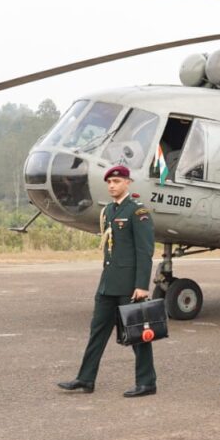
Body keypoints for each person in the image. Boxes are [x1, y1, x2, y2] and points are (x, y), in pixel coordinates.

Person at [57, 165, 157, 397]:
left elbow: (144, 251)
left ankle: (147, 382)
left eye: (117, 181)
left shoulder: (137, 212)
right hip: (108, 284)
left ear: (128, 183)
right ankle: (85, 379)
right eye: (109, 182)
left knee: (137, 334)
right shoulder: (109, 211)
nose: (112, 185)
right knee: (97, 332)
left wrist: (142, 285)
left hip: (130, 286)